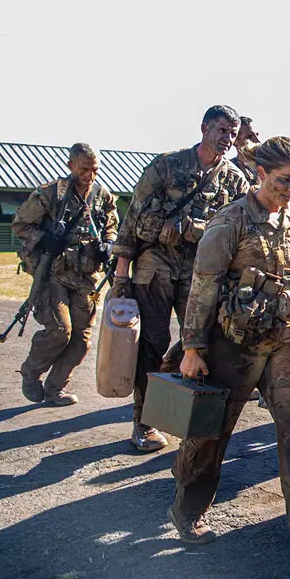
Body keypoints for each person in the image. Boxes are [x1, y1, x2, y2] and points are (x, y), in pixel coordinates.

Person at [171, 136, 290, 556]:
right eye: (284, 180)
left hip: (286, 344)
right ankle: (188, 508)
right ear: (260, 173)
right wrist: (192, 348)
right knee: (212, 431)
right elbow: (204, 287)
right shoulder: (229, 222)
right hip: (233, 344)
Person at [112, 105, 249, 452]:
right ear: (204, 128)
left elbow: (236, 229)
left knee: (200, 340)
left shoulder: (234, 180)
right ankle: (143, 423)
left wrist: (192, 229)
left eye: (232, 134)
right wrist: (121, 274)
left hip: (200, 272)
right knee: (152, 343)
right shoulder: (167, 165)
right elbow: (134, 220)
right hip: (155, 266)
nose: (226, 139)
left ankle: (185, 411)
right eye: (221, 130)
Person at [11, 143, 119, 406]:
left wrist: (108, 244)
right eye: (84, 169)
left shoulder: (102, 196)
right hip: (54, 276)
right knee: (60, 331)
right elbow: (20, 224)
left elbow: (112, 225)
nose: (89, 175)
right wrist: (45, 239)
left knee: (82, 342)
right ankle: (31, 371)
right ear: (71, 165)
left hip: (86, 280)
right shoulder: (51, 194)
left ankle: (55, 388)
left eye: (94, 170)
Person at [231, 116, 261, 185]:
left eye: (257, 135)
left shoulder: (270, 167)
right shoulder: (229, 169)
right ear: (235, 141)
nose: (257, 140)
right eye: (249, 137)